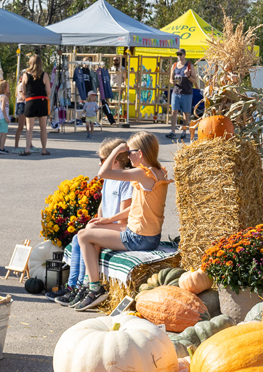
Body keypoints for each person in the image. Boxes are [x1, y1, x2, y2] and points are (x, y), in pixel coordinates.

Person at [72, 131, 171, 311]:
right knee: (92, 227)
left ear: (140, 154)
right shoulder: (158, 172)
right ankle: (88, 282)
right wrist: (109, 219)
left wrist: (117, 149)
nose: (128, 156)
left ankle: (94, 288)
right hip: (149, 235)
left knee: (84, 236)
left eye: (129, 152)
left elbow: (103, 173)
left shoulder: (142, 173)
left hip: (138, 238)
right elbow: (137, 207)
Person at [50, 137, 134, 306]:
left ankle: (86, 285)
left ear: (115, 160)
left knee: (86, 236)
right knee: (77, 238)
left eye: (102, 160)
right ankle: (73, 286)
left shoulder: (125, 182)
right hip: (108, 225)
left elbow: (123, 217)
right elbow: (103, 204)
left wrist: (102, 224)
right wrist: (98, 219)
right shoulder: (109, 179)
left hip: (118, 228)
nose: (99, 164)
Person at [18, 53, 52, 156]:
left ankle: (27, 149)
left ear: (30, 63)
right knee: (43, 127)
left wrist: (27, 98)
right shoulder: (45, 75)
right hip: (42, 101)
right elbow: (48, 91)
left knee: (29, 127)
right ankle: (44, 149)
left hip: (30, 101)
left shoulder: (25, 75)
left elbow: (23, 91)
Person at [167, 49, 195, 140]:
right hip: (176, 92)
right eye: (178, 54)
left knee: (185, 113)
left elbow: (194, 80)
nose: (179, 56)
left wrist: (188, 75)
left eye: (180, 54)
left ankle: (184, 132)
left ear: (184, 55)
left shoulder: (189, 66)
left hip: (186, 93)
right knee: (174, 111)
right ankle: (172, 132)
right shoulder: (174, 65)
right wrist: (172, 82)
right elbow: (170, 79)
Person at [0, 79, 11, 155]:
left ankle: (0, 147)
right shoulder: (4, 97)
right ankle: (1, 148)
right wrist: (6, 118)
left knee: (1, 133)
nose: (9, 89)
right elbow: (3, 108)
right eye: (7, 87)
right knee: (4, 133)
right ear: (4, 88)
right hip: (3, 117)